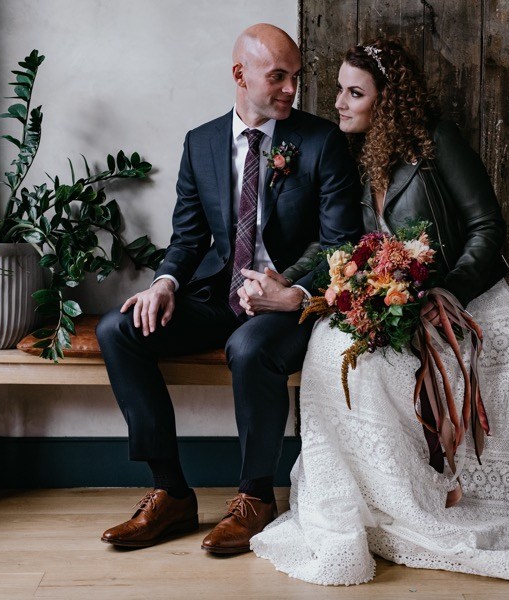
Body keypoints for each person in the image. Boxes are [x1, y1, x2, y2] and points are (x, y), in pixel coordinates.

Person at [250, 38, 509, 586]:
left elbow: (487, 229)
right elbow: (341, 242)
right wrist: (293, 278)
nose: (340, 102)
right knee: (331, 348)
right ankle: (369, 501)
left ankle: (420, 500)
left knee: (372, 366)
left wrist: (445, 292)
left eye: (355, 93)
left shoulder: (436, 143)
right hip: (398, 299)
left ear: (388, 100)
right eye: (338, 90)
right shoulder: (356, 155)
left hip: (465, 302)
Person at [95, 23, 362, 554]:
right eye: (278, 76)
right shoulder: (201, 143)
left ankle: (256, 497)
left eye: (296, 77)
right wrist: (165, 283)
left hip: (288, 305)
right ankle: (169, 492)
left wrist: (290, 289)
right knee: (118, 329)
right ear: (240, 75)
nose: (291, 89)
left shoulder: (319, 141)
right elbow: (190, 236)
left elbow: (342, 243)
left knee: (249, 347)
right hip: (218, 297)